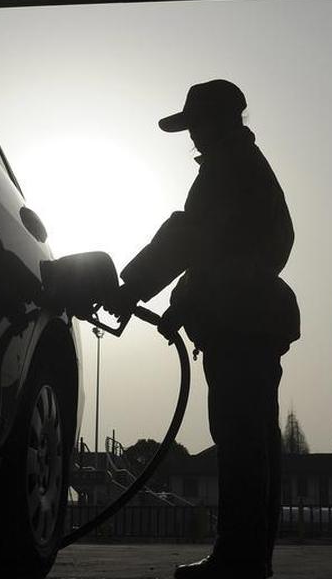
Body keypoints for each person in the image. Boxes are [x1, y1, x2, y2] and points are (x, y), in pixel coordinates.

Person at [108, 79, 300, 578]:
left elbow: (192, 238)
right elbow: (218, 249)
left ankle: (238, 559)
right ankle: (250, 559)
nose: (192, 137)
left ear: (220, 121)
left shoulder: (228, 170)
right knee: (253, 442)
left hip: (241, 324)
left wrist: (133, 288)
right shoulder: (243, 169)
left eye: (196, 125)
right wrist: (186, 302)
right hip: (250, 321)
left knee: (241, 443)